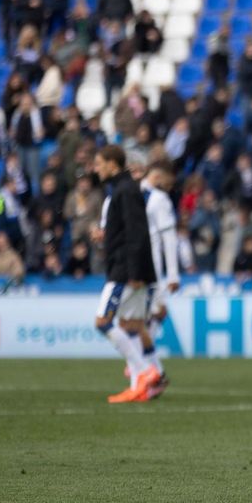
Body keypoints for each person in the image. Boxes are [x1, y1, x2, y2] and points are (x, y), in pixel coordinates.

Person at [92, 146, 159, 404]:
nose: (96, 169)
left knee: (103, 322)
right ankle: (139, 386)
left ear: (112, 164)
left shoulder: (126, 190)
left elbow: (137, 233)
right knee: (130, 325)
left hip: (124, 271)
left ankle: (144, 371)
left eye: (99, 163)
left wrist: (134, 271)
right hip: (127, 268)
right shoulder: (121, 190)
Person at [139, 160, 182, 399]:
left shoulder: (138, 195)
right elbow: (169, 239)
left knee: (147, 318)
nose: (170, 186)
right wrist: (173, 274)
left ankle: (148, 369)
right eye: (169, 181)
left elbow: (167, 239)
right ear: (158, 176)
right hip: (149, 271)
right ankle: (147, 367)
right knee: (143, 320)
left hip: (141, 270)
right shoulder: (157, 199)